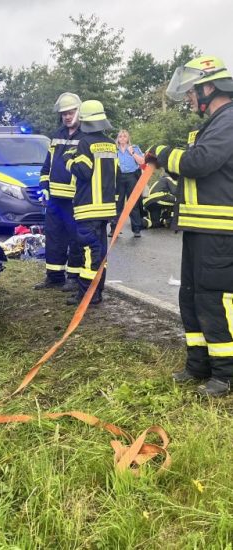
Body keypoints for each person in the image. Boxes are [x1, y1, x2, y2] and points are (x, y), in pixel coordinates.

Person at [146, 55, 233, 397]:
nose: (189, 98)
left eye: (192, 91)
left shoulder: (229, 120)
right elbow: (195, 172)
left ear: (209, 87)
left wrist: (162, 151)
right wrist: (167, 164)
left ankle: (226, 374)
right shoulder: (215, 124)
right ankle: (198, 365)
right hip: (200, 229)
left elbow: (200, 162)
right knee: (191, 296)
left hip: (221, 231)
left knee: (214, 299)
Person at [64, 100, 117, 306]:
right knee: (100, 253)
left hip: (88, 209)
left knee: (88, 254)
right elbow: (117, 176)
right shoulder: (111, 144)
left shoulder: (85, 143)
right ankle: (98, 292)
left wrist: (69, 160)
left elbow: (83, 172)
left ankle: (87, 295)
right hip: (106, 208)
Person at [34, 92, 84, 293]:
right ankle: (54, 276)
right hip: (55, 199)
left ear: (78, 112)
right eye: (64, 113)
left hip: (76, 199)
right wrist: (44, 187)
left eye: (70, 112)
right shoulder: (56, 136)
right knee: (54, 237)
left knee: (76, 239)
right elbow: (47, 167)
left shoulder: (85, 137)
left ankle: (73, 277)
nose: (67, 116)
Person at [112, 129, 145, 237]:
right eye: (120, 136)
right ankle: (114, 229)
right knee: (118, 202)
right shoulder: (114, 150)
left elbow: (141, 161)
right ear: (118, 138)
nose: (122, 138)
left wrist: (132, 153)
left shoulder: (134, 148)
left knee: (133, 203)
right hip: (119, 177)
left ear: (128, 138)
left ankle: (136, 229)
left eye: (124, 136)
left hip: (131, 176)